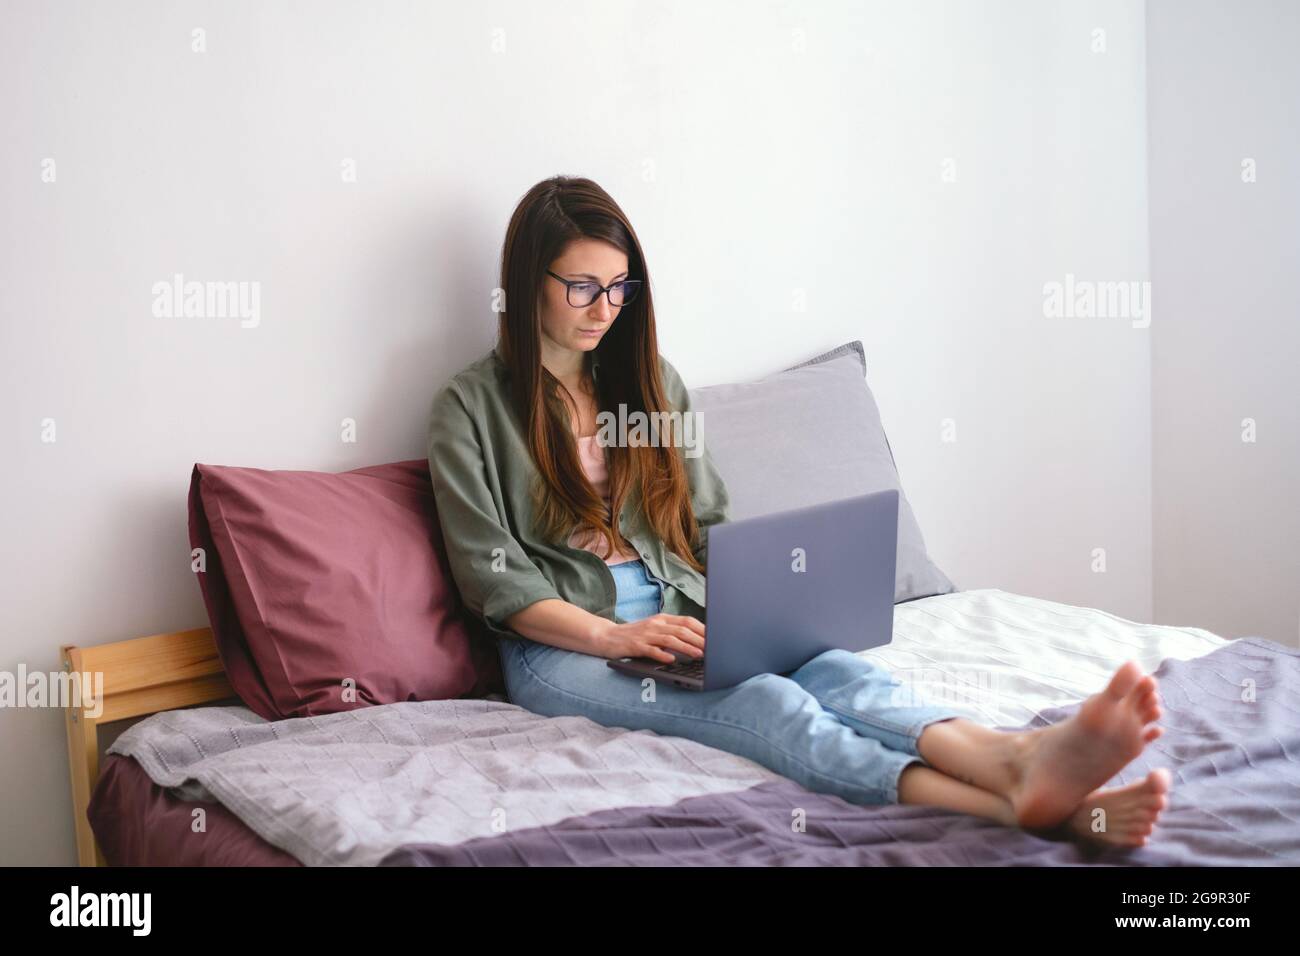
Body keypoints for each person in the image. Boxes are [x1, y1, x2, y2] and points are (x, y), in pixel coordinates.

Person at [427, 175, 1170, 847]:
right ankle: (1009, 807)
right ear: (528, 282)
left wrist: (768, 608)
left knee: (839, 670)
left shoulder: (651, 385)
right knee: (767, 706)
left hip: (685, 609)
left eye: (622, 288)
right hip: (563, 648)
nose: (606, 309)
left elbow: (708, 525)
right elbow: (497, 583)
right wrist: (616, 633)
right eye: (583, 287)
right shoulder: (468, 409)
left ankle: (1009, 755)